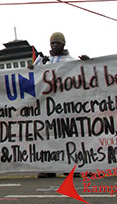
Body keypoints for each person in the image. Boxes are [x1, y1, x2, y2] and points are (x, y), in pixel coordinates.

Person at [31, 31, 88, 178]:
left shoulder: (71, 61)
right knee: (49, 137)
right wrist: (31, 68)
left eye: (57, 43)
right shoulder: (43, 61)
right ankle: (50, 167)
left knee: (68, 136)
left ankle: (70, 167)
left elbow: (85, 75)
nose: (54, 45)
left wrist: (87, 63)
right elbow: (32, 75)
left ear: (63, 44)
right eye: (52, 43)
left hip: (66, 106)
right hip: (47, 106)